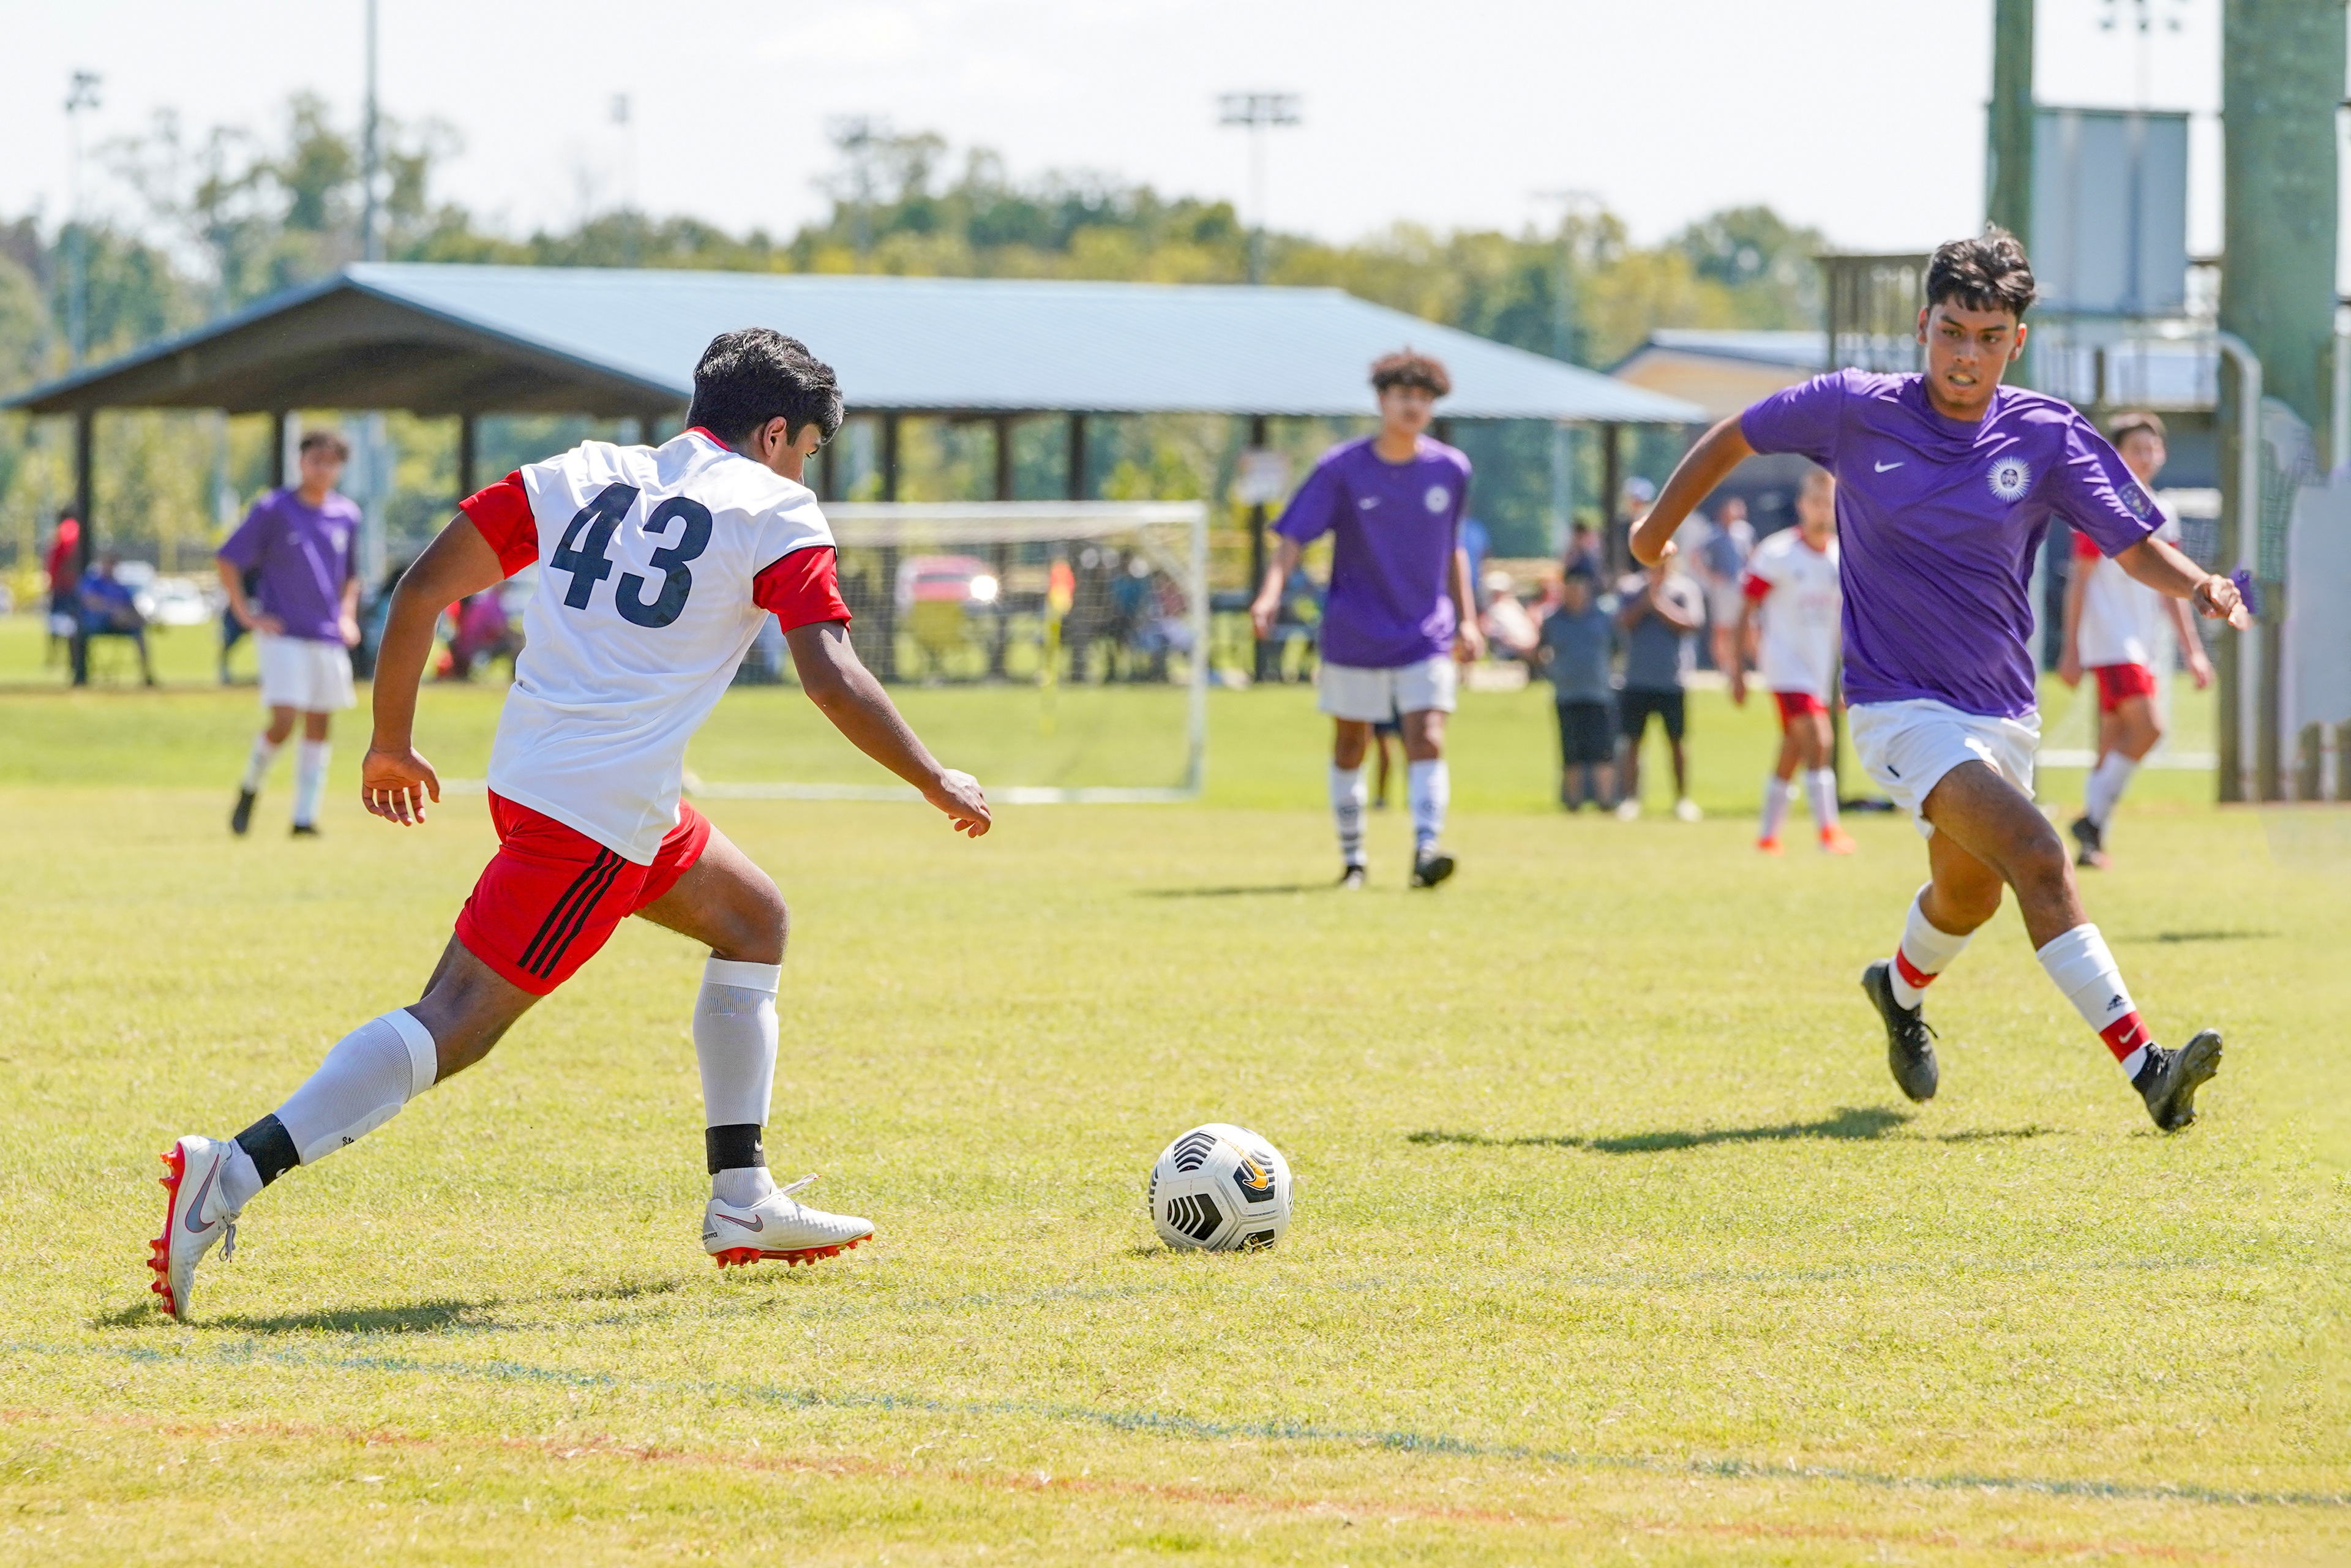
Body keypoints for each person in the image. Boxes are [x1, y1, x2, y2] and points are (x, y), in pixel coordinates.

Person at [149, 328, 992, 1321]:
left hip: (548, 782)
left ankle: (742, 1196)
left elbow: (422, 590)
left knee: (753, 918)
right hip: (599, 816)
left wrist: (391, 743)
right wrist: (934, 776)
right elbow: (832, 676)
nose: (805, 470)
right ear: (775, 433)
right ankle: (232, 1171)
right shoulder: (775, 506)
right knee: (454, 1021)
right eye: (806, 448)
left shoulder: (581, 472)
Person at [1630, 228, 2247, 1131]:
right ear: (1923, 325)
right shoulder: (1855, 408)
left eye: (1989, 338)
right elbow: (1736, 434)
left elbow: (2131, 542)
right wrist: (1654, 531)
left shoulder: (2046, 433)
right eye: (1953, 331)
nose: (1967, 355)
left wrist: (2198, 585)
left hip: (2002, 710)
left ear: (2016, 342)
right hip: (1896, 707)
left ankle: (1898, 990)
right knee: (2038, 853)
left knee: (1971, 893)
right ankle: (2150, 1068)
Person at [1250, 350, 1483, 890]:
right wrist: (1269, 594)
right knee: (1351, 743)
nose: (1413, 406)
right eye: (1403, 396)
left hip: (1426, 630)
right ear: (1382, 400)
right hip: (1356, 629)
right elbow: (1293, 538)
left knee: (1428, 734)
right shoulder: (1342, 469)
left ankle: (1426, 849)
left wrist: (1469, 619)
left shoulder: (1451, 469)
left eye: (1423, 398)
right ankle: (1353, 858)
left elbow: (1453, 548)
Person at [2058, 410, 2212, 868]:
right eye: (2136, 448)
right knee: (2149, 728)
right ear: (2117, 455)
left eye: (2152, 448)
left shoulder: (2164, 512)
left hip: (2142, 642)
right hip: (2111, 640)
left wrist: (2193, 651)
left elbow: (2174, 589)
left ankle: (2092, 840)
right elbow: (2080, 581)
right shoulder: (2100, 504)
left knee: (2112, 739)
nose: (2146, 456)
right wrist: (2071, 649)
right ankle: (2090, 821)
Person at [216, 430, 364, 838]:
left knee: (320, 722)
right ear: (300, 462)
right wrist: (247, 615)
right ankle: (250, 786)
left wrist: (347, 616)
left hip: (326, 635)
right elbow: (228, 558)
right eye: (316, 460)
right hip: (283, 634)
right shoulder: (274, 508)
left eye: (331, 462)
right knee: (284, 720)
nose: (323, 469)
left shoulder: (347, 514)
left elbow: (351, 576)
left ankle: (304, 817)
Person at [1733, 468, 1852, 854]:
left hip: (1818, 669)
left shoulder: (1841, 556)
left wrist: (1848, 677)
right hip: (1784, 666)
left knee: (1794, 748)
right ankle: (1829, 832)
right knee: (1820, 738)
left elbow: (1844, 624)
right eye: (1816, 502)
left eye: (1828, 503)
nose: (1822, 510)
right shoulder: (1778, 553)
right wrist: (1737, 670)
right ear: (1802, 505)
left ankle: (1768, 836)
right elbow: (1745, 608)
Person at [1612, 555, 1706, 822]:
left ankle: (1682, 800)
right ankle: (1630, 799)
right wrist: (1645, 602)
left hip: (1671, 679)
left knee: (1677, 742)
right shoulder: (1630, 588)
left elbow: (1691, 625)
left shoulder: (1684, 589)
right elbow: (1622, 623)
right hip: (1636, 679)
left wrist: (1659, 605)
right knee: (1632, 741)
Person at [1535, 562, 1617, 810]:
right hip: (1567, 694)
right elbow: (1540, 651)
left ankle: (1606, 803)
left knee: (1602, 752)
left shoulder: (1604, 617)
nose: (1576, 591)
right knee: (1572, 753)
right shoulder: (1553, 619)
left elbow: (1617, 648)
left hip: (1599, 693)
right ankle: (1572, 803)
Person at [77, 553, 157, 686]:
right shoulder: (93, 583)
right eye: (107, 563)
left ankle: (147, 674)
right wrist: (113, 609)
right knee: (120, 616)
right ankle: (139, 622)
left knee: (138, 631)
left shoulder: (119, 586)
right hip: (98, 623)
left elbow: (131, 606)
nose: (110, 567)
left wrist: (141, 616)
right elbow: (91, 602)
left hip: (122, 624)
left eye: (112, 564)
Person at [1701, 495, 1757, 677]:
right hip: (1723, 588)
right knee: (1722, 628)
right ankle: (1724, 667)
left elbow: (1751, 554)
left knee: (1747, 625)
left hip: (1742, 585)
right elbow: (1696, 556)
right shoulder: (1713, 533)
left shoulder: (1746, 532)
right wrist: (1711, 576)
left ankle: (1748, 664)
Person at [45, 512, 81, 672]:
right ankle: (60, 660)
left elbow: (70, 557)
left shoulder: (68, 529)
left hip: (65, 587)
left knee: (67, 625)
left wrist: (64, 578)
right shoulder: (70, 529)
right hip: (63, 585)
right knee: (60, 625)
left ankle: (70, 661)